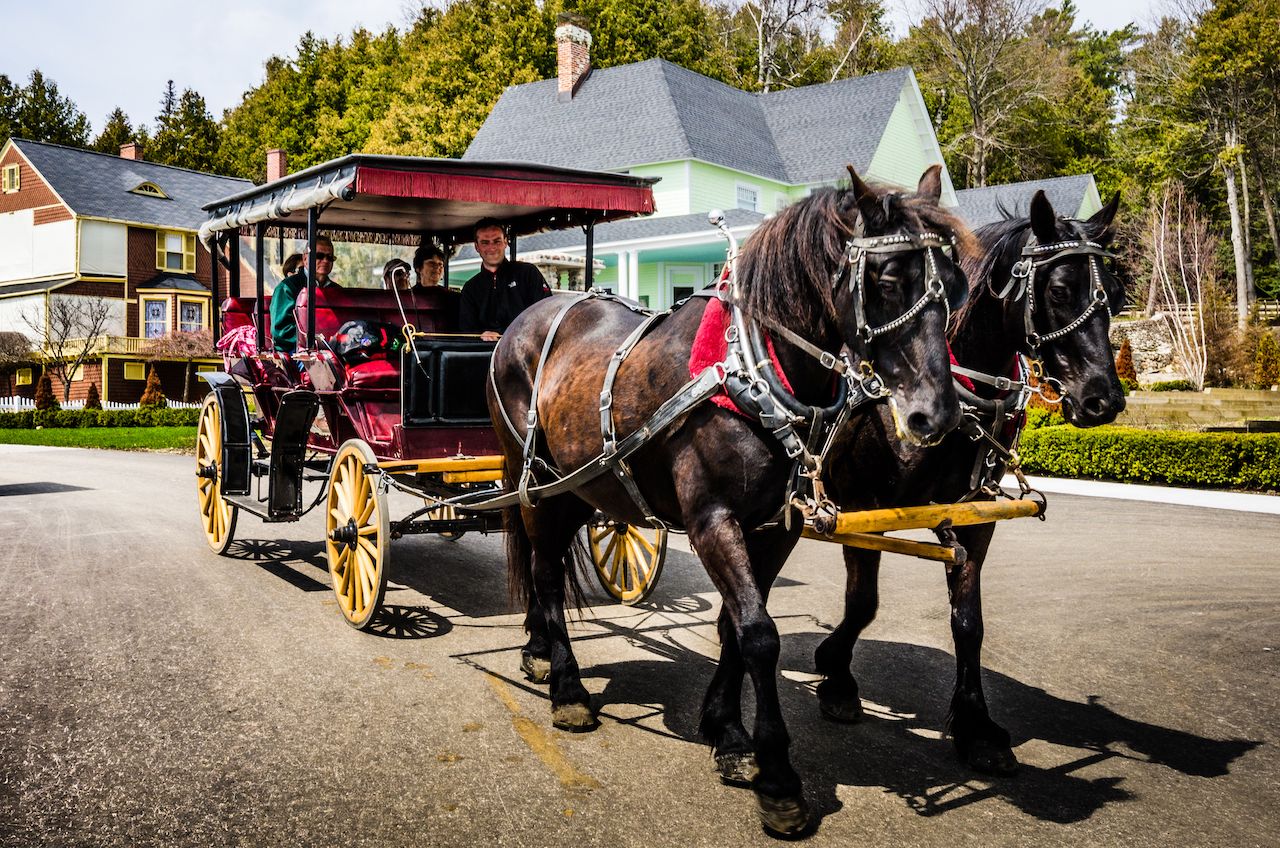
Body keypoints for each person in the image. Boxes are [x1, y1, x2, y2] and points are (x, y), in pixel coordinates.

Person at [458, 219, 551, 341]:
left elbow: (547, 312)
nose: (492, 248)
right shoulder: (470, 288)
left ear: (505, 242)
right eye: (485, 243)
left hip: (527, 349)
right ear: (477, 247)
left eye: (497, 241)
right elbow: (466, 330)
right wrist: (481, 335)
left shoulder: (528, 273)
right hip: (483, 353)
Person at [270, 236, 340, 352]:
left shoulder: (337, 291)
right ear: (305, 258)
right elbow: (281, 331)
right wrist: (317, 341)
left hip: (333, 349)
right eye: (319, 256)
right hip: (295, 352)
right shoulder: (288, 287)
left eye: (330, 257)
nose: (325, 261)